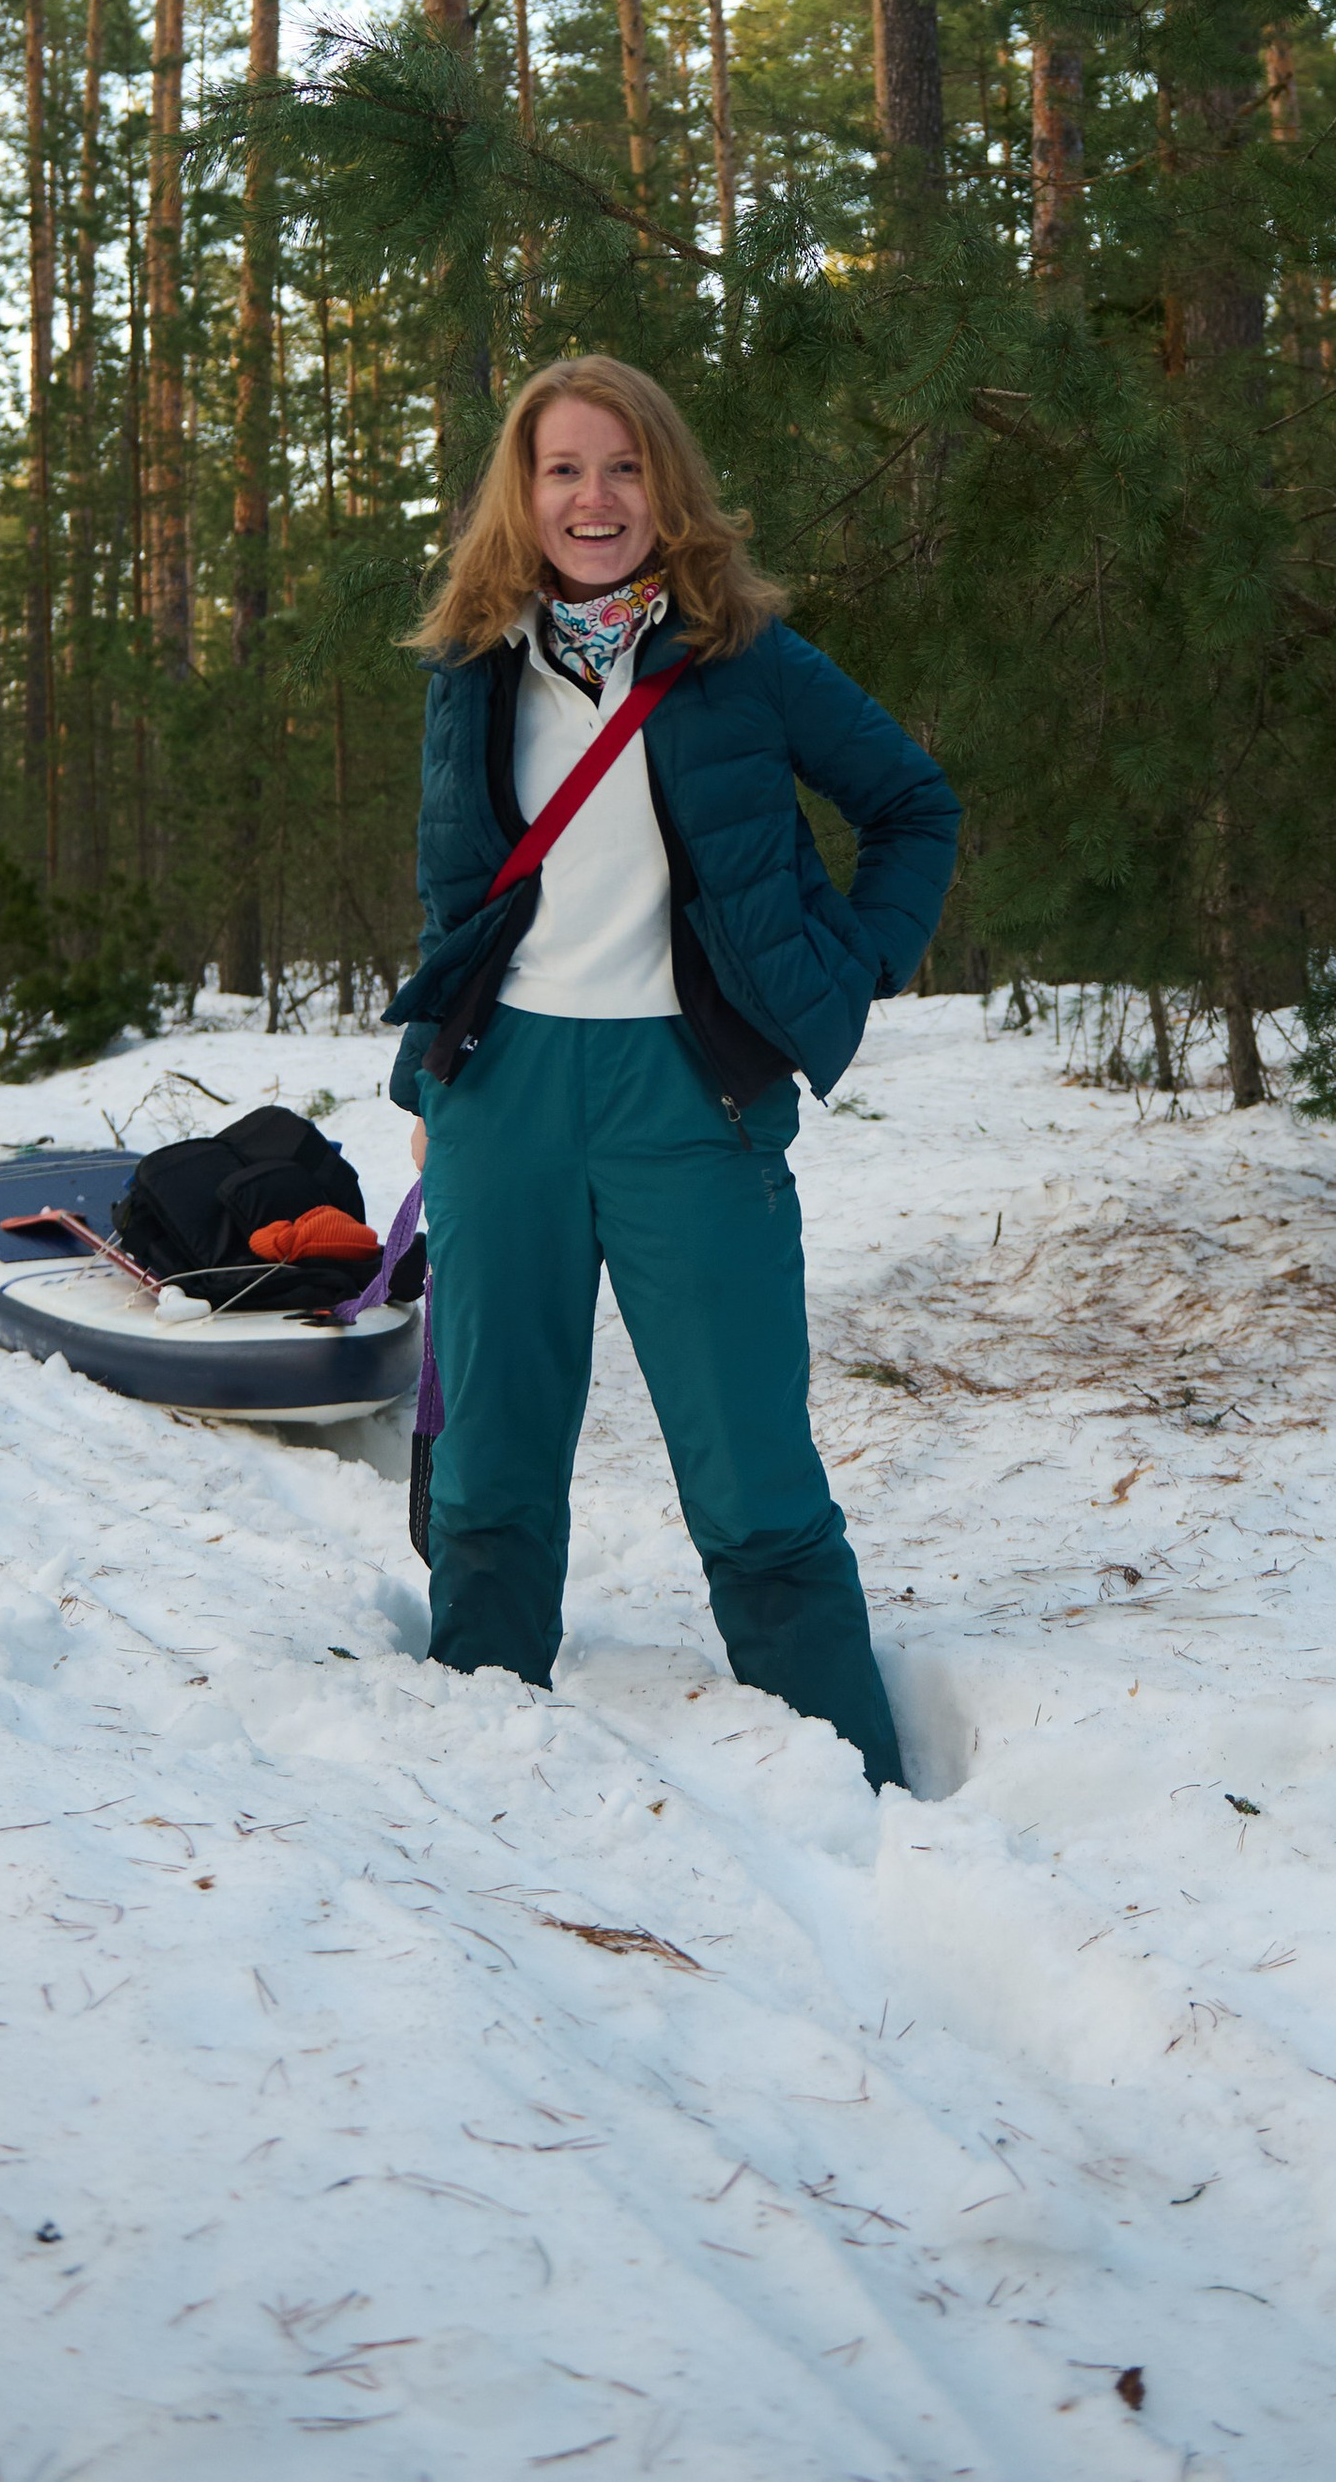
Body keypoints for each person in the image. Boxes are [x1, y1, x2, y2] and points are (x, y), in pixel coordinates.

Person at [390, 355, 958, 1794]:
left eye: (624, 468)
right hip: (501, 1093)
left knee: (752, 1471)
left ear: (669, 487)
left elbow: (909, 803)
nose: (595, 497)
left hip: (685, 1096)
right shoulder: (474, 660)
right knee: (491, 1468)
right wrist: (427, 1083)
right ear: (521, 494)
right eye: (564, 469)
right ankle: (480, 1773)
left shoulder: (745, 654)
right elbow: (465, 901)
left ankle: (861, 1797)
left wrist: (861, 965)